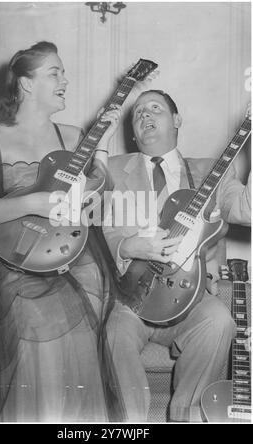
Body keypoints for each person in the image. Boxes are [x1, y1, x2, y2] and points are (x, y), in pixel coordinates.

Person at [0, 41, 126, 422]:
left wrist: (103, 144)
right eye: (55, 73)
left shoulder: (71, 134)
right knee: (33, 325)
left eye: (63, 72)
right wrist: (30, 203)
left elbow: (94, 193)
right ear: (27, 84)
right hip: (14, 260)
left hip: (70, 260)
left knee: (89, 307)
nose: (66, 80)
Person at [103, 89, 251, 422]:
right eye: (138, 113)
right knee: (113, 333)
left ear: (176, 120)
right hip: (128, 298)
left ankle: (186, 416)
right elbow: (91, 224)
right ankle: (131, 424)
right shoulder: (111, 169)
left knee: (218, 321)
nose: (144, 116)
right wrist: (127, 247)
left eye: (154, 108)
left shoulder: (211, 172)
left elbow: (248, 209)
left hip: (190, 296)